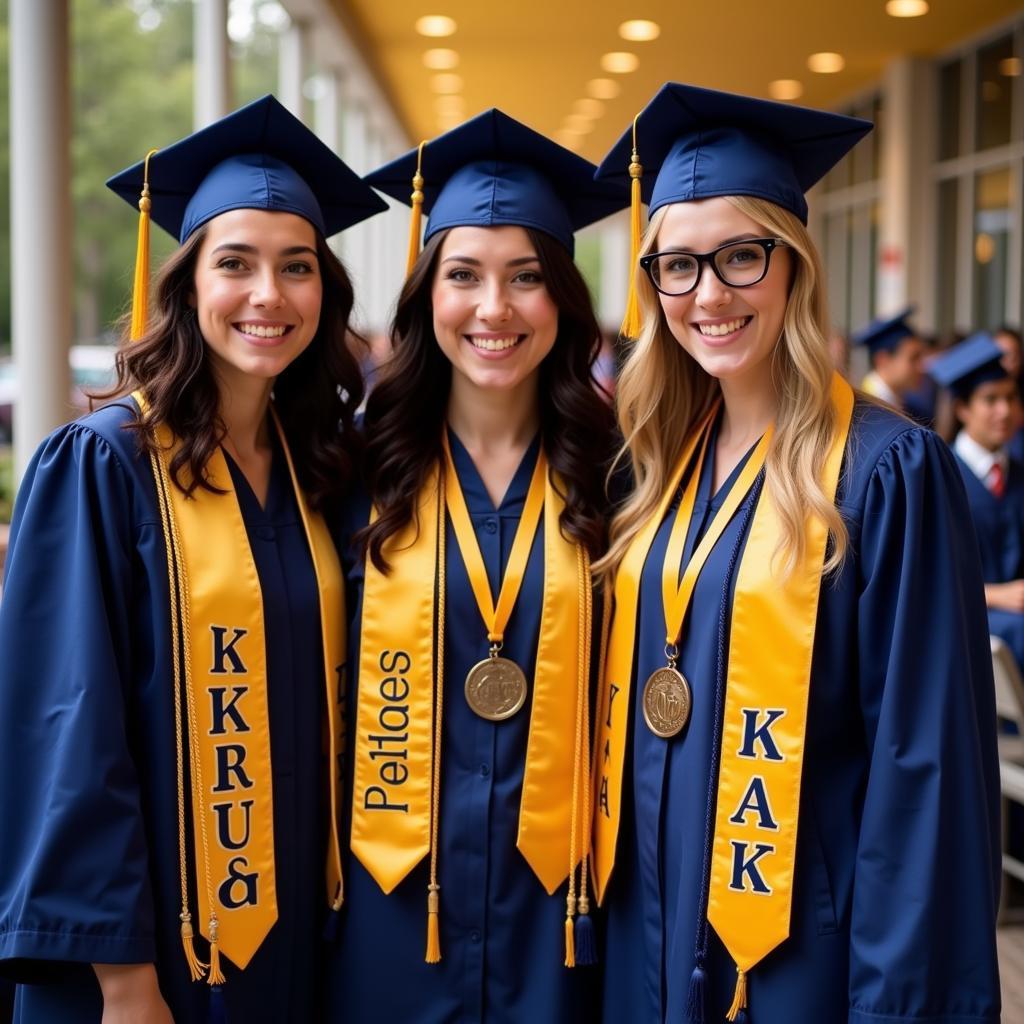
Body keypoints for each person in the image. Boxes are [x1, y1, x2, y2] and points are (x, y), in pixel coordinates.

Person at [591, 82, 1001, 1024]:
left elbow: (924, 776)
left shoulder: (888, 473)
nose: (710, 295)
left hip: (798, 964)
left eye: (741, 256)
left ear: (795, 267)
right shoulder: (656, 464)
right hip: (646, 948)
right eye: (678, 267)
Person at [0, 95, 386, 1022]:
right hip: (149, 963)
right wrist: (122, 982)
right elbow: (66, 730)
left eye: (298, 267)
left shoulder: (314, 469)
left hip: (289, 940)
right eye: (236, 264)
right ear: (186, 284)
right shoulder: (104, 463)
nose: (270, 295)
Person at [324, 109, 623, 1023]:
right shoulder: (347, 474)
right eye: (464, 276)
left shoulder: (623, 476)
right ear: (426, 296)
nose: (494, 309)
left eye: (526, 277)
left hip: (567, 910)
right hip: (388, 905)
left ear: (563, 301)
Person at [931, 332, 1024, 669]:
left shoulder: (1018, 476)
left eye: (1012, 398)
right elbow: (926, 576)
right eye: (991, 399)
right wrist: (997, 595)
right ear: (962, 409)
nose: (1005, 410)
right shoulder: (939, 478)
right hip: (965, 619)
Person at [853, 306, 927, 414]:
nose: (922, 367)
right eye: (913, 358)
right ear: (883, 360)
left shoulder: (906, 407)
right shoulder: (865, 413)